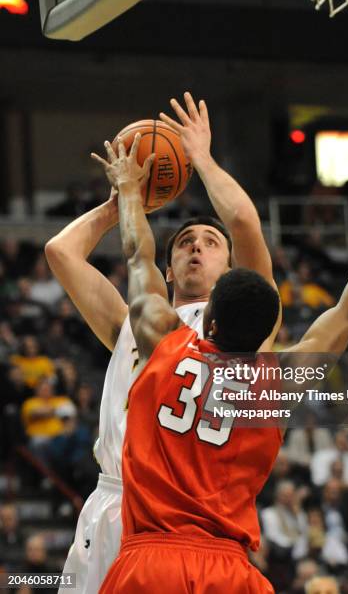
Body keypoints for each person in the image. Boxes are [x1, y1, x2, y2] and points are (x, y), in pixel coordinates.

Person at [99, 141, 348, 592]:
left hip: (149, 559)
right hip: (228, 568)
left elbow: (137, 254)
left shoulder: (165, 341)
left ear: (210, 319)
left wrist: (128, 189)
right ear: (267, 334)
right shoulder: (279, 379)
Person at [45, 92, 278, 594]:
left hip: (182, 520)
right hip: (113, 504)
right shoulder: (138, 317)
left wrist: (202, 159)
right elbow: (60, 251)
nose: (197, 245)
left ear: (232, 271)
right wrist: (121, 200)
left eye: (210, 243)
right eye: (185, 242)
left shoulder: (251, 329)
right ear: (166, 270)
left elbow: (243, 222)